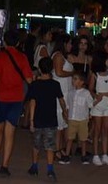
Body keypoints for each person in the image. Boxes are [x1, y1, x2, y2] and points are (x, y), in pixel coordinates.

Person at [0, 28, 33, 177]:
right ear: (19, 42)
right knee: (10, 132)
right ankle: (5, 165)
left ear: (5, 41)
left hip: (1, 97)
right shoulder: (22, 57)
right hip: (16, 98)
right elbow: (29, 79)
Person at [25, 57, 68, 181]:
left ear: (39, 69)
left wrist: (31, 120)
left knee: (36, 145)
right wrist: (65, 112)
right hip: (51, 119)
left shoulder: (35, 85)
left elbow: (32, 102)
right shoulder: (55, 84)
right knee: (50, 145)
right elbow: (61, 100)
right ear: (52, 69)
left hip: (38, 119)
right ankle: (50, 169)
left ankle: (34, 167)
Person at [49, 32, 73, 162]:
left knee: (63, 124)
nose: (70, 46)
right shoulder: (58, 55)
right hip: (61, 92)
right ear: (64, 43)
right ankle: (57, 149)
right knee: (59, 124)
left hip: (66, 91)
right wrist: (72, 73)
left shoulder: (63, 56)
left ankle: (60, 148)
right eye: (69, 43)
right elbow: (58, 72)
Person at [89, 51, 108, 166]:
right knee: (97, 130)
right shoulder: (95, 74)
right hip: (98, 105)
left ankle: (105, 154)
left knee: (105, 130)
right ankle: (95, 154)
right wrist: (96, 97)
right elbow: (90, 89)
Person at [64, 71, 94, 165]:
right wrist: (67, 116)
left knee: (83, 138)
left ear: (82, 82)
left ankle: (83, 155)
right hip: (72, 118)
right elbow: (68, 105)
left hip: (82, 119)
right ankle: (67, 155)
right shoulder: (70, 93)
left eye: (75, 79)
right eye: (73, 79)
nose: (73, 81)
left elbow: (90, 104)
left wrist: (90, 114)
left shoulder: (86, 93)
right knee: (70, 138)